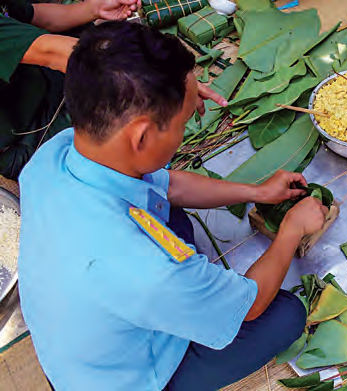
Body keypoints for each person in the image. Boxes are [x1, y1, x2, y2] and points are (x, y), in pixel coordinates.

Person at [18, 21, 328, 391]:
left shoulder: (55, 155)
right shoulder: (149, 271)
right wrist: (291, 229)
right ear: (143, 135)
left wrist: (257, 192)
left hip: (81, 341)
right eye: (182, 123)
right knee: (286, 315)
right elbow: (252, 305)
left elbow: (168, 185)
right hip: (122, 379)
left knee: (169, 211)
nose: (183, 134)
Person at [0, 0, 140, 179]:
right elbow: (53, 53)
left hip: (40, 81)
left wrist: (95, 8)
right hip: (28, 135)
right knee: (124, 132)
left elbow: (35, 15)